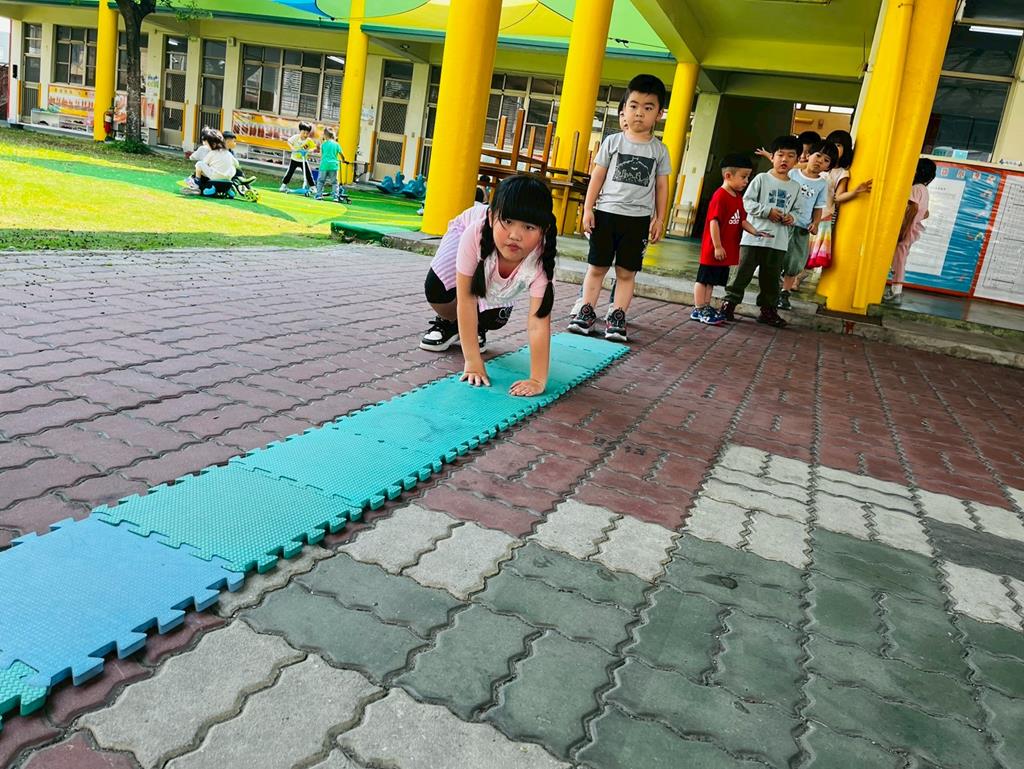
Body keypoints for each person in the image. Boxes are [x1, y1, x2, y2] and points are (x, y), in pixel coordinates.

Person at [419, 174, 557, 397]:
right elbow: (466, 299)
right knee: (438, 288)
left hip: (494, 255)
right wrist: (472, 361)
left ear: (545, 229)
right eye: (508, 221)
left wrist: (537, 379)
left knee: (493, 319)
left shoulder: (542, 259)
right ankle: (449, 323)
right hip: (466, 231)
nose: (515, 235)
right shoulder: (473, 233)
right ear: (492, 217)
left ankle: (474, 328)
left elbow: (538, 322)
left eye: (529, 227)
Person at [568, 74, 671, 343]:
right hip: (606, 215)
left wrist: (660, 218)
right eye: (633, 106)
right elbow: (597, 177)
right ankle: (586, 312)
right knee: (597, 267)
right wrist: (588, 209)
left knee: (626, 272)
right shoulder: (612, 142)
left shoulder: (660, 151)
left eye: (648, 107)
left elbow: (662, 186)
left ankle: (617, 316)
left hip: (637, 220)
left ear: (659, 114)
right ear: (624, 109)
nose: (639, 113)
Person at [719, 135, 803, 327]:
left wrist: (792, 218)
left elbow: (799, 211)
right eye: (780, 154)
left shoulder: (795, 187)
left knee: (771, 279)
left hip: (778, 242)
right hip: (753, 238)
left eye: (790, 156)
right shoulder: (761, 179)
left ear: (797, 161)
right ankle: (729, 304)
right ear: (772, 157)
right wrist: (767, 211)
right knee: (741, 273)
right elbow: (746, 202)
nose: (784, 159)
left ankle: (768, 311)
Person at [691, 154, 767, 325]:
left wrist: (755, 232)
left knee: (710, 281)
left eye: (748, 177)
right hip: (713, 249)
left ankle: (705, 306)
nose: (746, 181)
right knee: (703, 279)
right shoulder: (720, 196)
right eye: (743, 177)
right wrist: (717, 246)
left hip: (724, 249)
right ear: (728, 175)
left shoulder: (737, 197)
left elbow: (742, 220)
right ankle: (699, 308)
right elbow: (714, 222)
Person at [805, 131, 872, 276]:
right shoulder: (815, 166)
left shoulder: (842, 172)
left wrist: (856, 192)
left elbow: (839, 196)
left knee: (811, 252)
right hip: (805, 213)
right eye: (832, 143)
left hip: (823, 216)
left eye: (839, 145)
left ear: (846, 149)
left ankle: (798, 278)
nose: (835, 148)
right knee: (801, 247)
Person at [779, 141, 835, 310]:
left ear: (828, 166)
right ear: (808, 155)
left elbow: (818, 207)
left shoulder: (822, 184)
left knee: (795, 262)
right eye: (818, 155)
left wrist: (816, 223)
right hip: (781, 225)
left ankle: (785, 293)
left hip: (802, 228)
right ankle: (771, 291)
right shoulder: (792, 174)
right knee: (775, 258)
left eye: (826, 160)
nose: (820, 161)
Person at [885, 157, 936, 305]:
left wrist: (903, 229)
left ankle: (896, 291)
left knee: (899, 259)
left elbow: (913, 208)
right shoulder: (924, 190)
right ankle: (895, 290)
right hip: (913, 229)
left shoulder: (915, 188)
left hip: (906, 228)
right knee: (901, 258)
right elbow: (926, 213)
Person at [192, 129, 237, 196]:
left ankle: (196, 183)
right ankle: (228, 190)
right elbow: (237, 164)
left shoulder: (212, 152)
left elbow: (204, 163)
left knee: (199, 164)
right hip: (228, 179)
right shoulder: (229, 153)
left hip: (215, 177)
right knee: (233, 166)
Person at [279, 121, 316, 192]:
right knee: (289, 173)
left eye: (307, 133)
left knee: (308, 174)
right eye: (304, 133)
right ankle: (283, 185)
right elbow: (289, 142)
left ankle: (313, 187)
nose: (305, 135)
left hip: (303, 160)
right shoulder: (296, 137)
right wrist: (292, 148)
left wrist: (309, 151)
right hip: (294, 159)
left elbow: (314, 147)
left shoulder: (309, 141)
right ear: (300, 131)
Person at [314, 127, 345, 201]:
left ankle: (319, 195)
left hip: (324, 165)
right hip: (333, 166)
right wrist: (343, 160)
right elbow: (342, 154)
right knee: (334, 182)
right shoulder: (336, 144)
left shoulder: (323, 145)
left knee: (321, 181)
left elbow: (321, 155)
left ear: (325, 135)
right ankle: (335, 197)